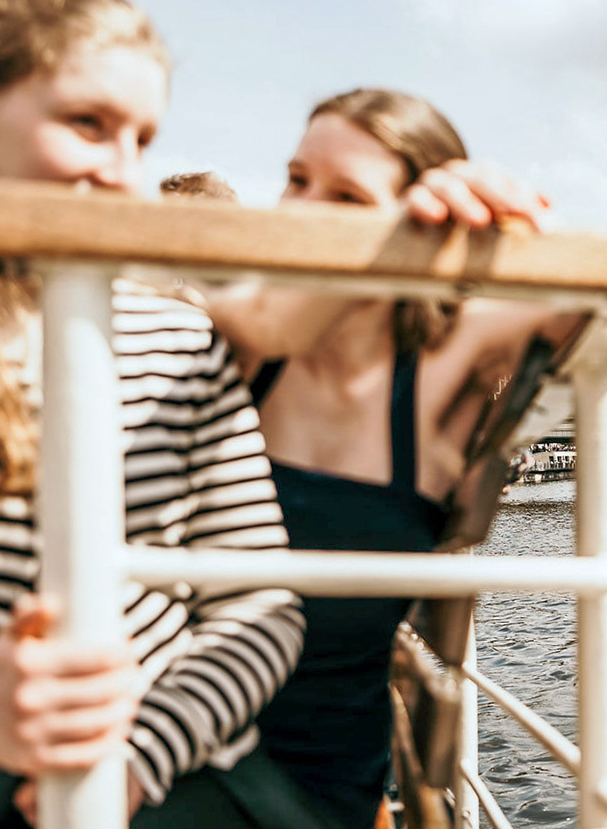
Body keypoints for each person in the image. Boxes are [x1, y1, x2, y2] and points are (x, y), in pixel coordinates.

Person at [0, 0, 308, 828]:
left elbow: (260, 609)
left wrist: (139, 755)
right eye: (89, 125)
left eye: (141, 141)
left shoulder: (179, 341)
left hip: (172, 785)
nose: (123, 177)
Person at [200, 89, 554, 829]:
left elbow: (582, 298)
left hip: (325, 796)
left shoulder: (437, 377)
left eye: (347, 197)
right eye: (296, 180)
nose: (301, 212)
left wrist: (508, 215)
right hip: (167, 763)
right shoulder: (235, 340)